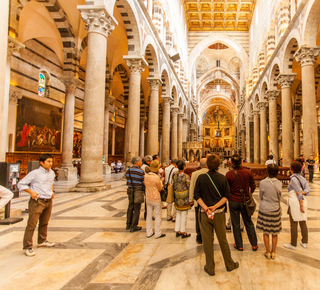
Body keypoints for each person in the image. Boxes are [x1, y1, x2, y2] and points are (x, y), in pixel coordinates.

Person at [194, 154, 239, 276]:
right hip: (218, 214)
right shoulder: (222, 178)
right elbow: (227, 196)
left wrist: (206, 208)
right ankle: (229, 264)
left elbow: (196, 196)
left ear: (207, 165)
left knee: (207, 241)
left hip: (204, 214)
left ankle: (210, 267)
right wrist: (215, 207)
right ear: (219, 165)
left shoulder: (201, 178)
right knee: (222, 239)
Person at [18, 154, 56, 257]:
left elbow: (51, 183)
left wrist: (52, 191)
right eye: (48, 161)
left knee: (44, 222)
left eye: (51, 161)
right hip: (37, 201)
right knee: (32, 224)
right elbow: (21, 184)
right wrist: (31, 192)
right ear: (41, 163)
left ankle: (42, 241)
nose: (51, 163)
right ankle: (28, 246)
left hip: (48, 200)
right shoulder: (35, 173)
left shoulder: (52, 173)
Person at [226, 154, 258, 251]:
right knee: (248, 222)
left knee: (235, 224)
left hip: (234, 201)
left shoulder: (229, 174)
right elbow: (253, 186)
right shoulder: (248, 172)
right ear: (241, 162)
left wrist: (231, 195)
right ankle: (254, 244)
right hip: (245, 201)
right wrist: (249, 194)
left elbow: (226, 189)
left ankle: (239, 245)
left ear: (231, 163)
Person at [256, 164, 282, 259]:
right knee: (275, 232)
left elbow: (261, 195)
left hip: (265, 208)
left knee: (266, 231)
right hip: (275, 208)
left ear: (267, 171)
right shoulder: (279, 183)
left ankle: (267, 252)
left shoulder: (262, 182)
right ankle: (273, 252)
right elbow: (279, 195)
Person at [284, 161, 310, 250]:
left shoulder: (293, 179)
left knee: (294, 223)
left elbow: (298, 193)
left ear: (292, 169)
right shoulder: (302, 178)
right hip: (302, 200)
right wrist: (303, 193)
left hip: (296, 202)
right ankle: (304, 241)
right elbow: (307, 189)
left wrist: (301, 205)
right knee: (303, 221)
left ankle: (293, 243)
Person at [189, 158, 208, 244]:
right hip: (209, 201)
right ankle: (208, 236)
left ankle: (199, 236)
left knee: (198, 219)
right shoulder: (211, 172)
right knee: (208, 218)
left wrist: (191, 199)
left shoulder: (194, 173)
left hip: (198, 200)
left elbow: (192, 187)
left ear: (200, 165)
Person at [144, 160, 166, 239]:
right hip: (156, 198)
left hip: (148, 198)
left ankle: (149, 232)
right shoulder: (156, 177)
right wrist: (161, 181)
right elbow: (160, 188)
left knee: (149, 215)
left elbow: (145, 184)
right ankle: (157, 233)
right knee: (157, 216)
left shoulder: (146, 176)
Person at [172, 159, 192, 238]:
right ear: (184, 167)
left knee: (178, 213)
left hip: (177, 196)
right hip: (184, 197)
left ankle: (177, 230)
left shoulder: (174, 175)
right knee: (184, 214)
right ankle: (183, 232)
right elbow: (189, 186)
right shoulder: (185, 176)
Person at [125, 156, 144, 232]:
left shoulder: (128, 170)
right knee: (136, 208)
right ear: (137, 162)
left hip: (130, 190)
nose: (141, 163)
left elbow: (127, 178)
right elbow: (143, 180)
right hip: (138, 190)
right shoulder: (141, 171)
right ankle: (134, 225)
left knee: (130, 207)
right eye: (140, 161)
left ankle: (128, 224)